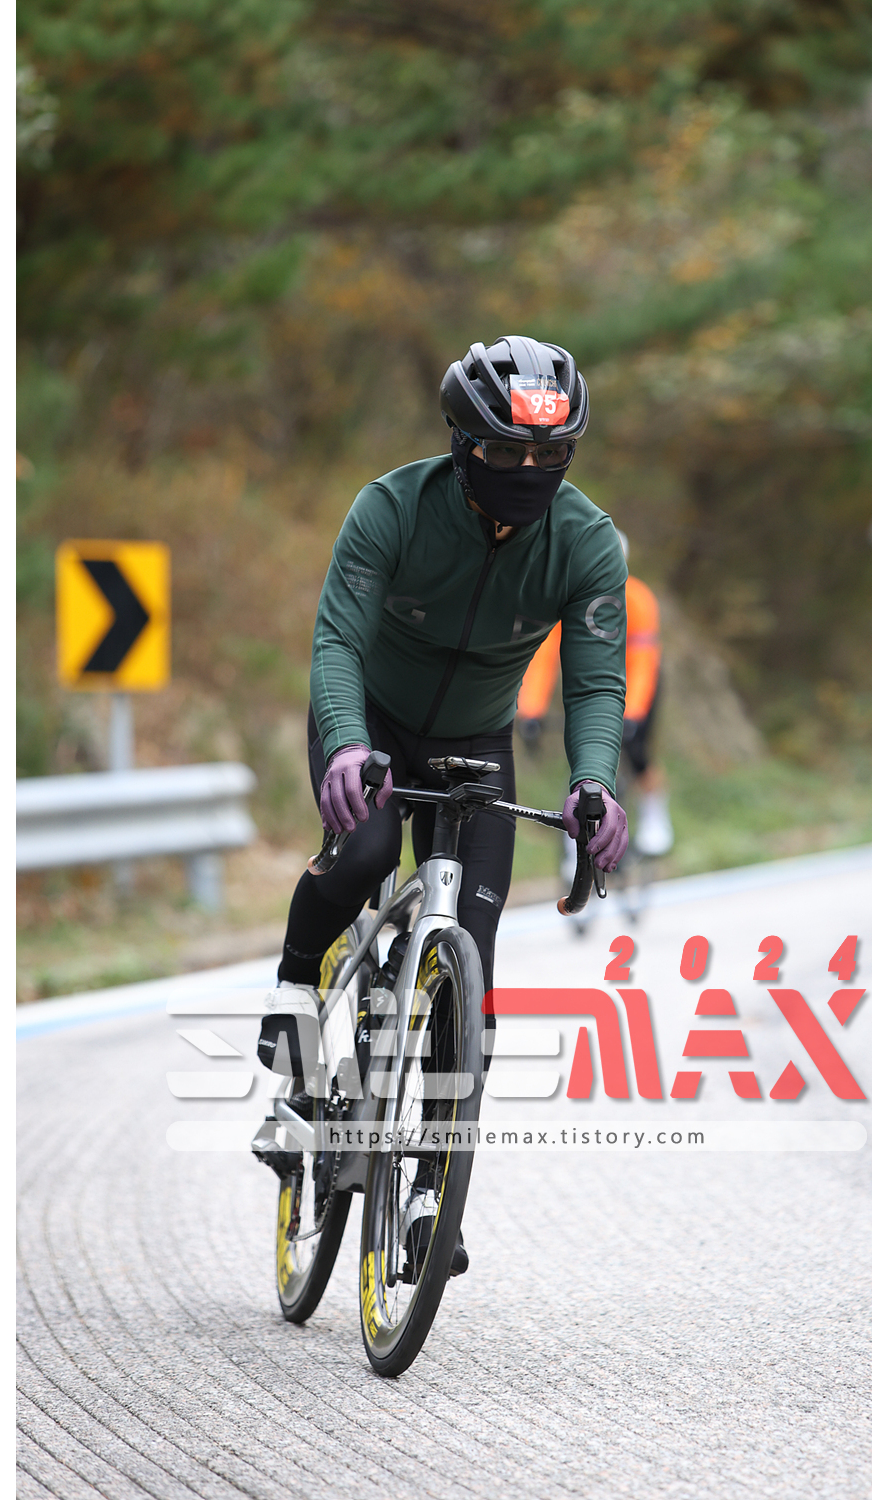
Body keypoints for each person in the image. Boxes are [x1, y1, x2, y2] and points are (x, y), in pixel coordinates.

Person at [265, 336, 630, 1274]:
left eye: (551, 453)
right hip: (369, 721)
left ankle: (433, 1181)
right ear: (464, 446)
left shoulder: (587, 542)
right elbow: (337, 641)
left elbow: (595, 684)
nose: (529, 470)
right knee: (362, 856)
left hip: (476, 740)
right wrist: (348, 743)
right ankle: (295, 988)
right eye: (506, 450)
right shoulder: (392, 508)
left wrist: (594, 780)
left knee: (474, 957)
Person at [515, 531, 674, 857]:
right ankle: (576, 843)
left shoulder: (638, 599)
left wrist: (632, 714)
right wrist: (531, 710)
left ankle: (654, 813)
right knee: (580, 752)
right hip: (590, 679)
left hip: (636, 681)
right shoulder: (569, 598)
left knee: (638, 751)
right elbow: (544, 658)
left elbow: (643, 662)